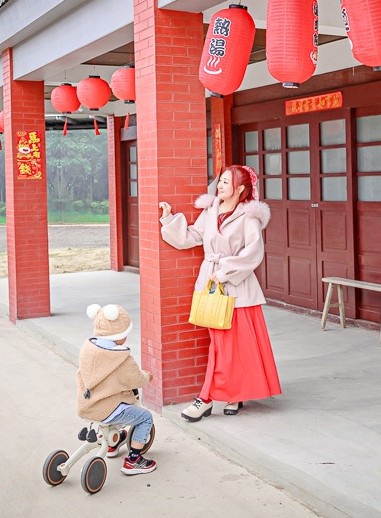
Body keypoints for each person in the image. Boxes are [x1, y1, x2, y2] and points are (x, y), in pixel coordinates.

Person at [159, 164, 282, 421]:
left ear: (240, 188)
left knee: (234, 348)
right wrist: (169, 220)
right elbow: (192, 236)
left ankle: (208, 398)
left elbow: (253, 252)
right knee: (221, 346)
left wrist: (225, 272)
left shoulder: (249, 217)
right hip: (213, 287)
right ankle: (227, 395)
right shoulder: (210, 210)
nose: (220, 185)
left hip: (238, 290)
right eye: (221, 180)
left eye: (227, 181)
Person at [76, 303, 156, 475]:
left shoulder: (88, 350)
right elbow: (135, 379)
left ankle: (113, 444)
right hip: (107, 409)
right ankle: (134, 460)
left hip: (87, 406)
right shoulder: (121, 359)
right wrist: (146, 377)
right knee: (145, 417)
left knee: (116, 402)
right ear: (120, 336)